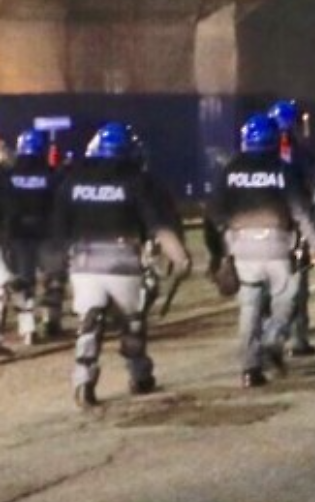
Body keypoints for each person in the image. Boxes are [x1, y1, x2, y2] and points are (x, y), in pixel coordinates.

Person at [53, 122, 191, 408]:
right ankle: (139, 375)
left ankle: (83, 379)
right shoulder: (137, 182)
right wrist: (180, 257)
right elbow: (159, 226)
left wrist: (51, 267)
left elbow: (57, 226)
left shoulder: (74, 181)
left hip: (84, 263)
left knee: (89, 322)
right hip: (123, 263)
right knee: (132, 324)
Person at [208, 114, 315, 388]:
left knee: (249, 308)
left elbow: (215, 212)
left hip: (242, 250)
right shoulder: (282, 170)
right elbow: (300, 211)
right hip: (276, 247)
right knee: (286, 298)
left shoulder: (231, 170)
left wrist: (222, 247)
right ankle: (274, 338)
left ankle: (250, 369)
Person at [0, 130, 67, 344]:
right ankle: (51, 319)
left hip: (18, 234)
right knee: (54, 278)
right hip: (48, 232)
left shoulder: (8, 175)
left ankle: (27, 327)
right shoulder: (52, 176)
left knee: (23, 281)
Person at [268, 99, 315, 356]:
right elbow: (311, 185)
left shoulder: (260, 155)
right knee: (298, 283)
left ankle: (270, 335)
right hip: (294, 228)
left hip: (266, 229)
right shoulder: (301, 153)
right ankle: (298, 337)